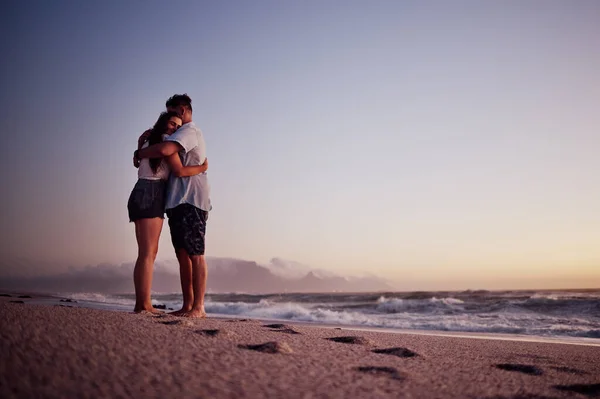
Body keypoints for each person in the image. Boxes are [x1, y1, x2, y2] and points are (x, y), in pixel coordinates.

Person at [134, 94, 211, 318]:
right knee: (182, 254)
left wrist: (140, 152)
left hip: (191, 198)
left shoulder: (189, 131)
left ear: (184, 110)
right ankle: (188, 305)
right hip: (176, 199)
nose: (173, 119)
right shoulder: (174, 133)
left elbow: (165, 152)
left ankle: (199, 307)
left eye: (175, 114)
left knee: (196, 252)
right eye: (169, 116)